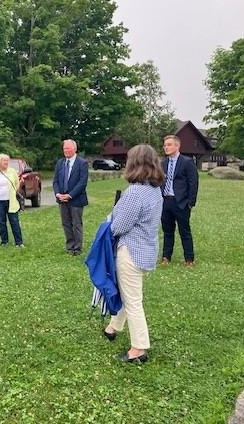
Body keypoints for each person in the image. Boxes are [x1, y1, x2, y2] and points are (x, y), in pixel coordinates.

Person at [103, 144, 164, 363]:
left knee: (133, 300)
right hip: (145, 249)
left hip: (131, 251)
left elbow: (120, 226)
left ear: (134, 163)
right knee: (129, 292)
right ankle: (113, 327)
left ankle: (138, 348)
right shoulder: (154, 189)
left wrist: (107, 223)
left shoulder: (135, 192)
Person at [160, 135, 199, 267]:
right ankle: (166, 257)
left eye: (169, 144)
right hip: (165, 201)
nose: (166, 147)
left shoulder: (187, 162)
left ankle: (189, 259)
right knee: (167, 231)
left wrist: (190, 203)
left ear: (177, 146)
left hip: (181, 202)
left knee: (184, 231)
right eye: (165, 145)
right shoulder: (163, 163)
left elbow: (193, 183)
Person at [52, 139, 89, 255]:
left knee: (76, 224)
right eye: (64, 149)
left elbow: (82, 183)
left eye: (68, 148)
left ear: (75, 149)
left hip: (76, 199)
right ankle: (70, 246)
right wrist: (58, 194)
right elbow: (55, 181)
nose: (66, 151)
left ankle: (77, 248)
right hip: (62, 199)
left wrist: (70, 195)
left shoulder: (82, 163)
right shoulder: (60, 163)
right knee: (66, 223)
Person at [0, 154, 24, 247]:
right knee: (1, 222)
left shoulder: (12, 171)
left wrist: (13, 191)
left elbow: (17, 183)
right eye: (4, 161)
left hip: (11, 201)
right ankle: (4, 241)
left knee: (14, 221)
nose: (6, 163)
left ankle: (19, 242)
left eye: (7, 161)